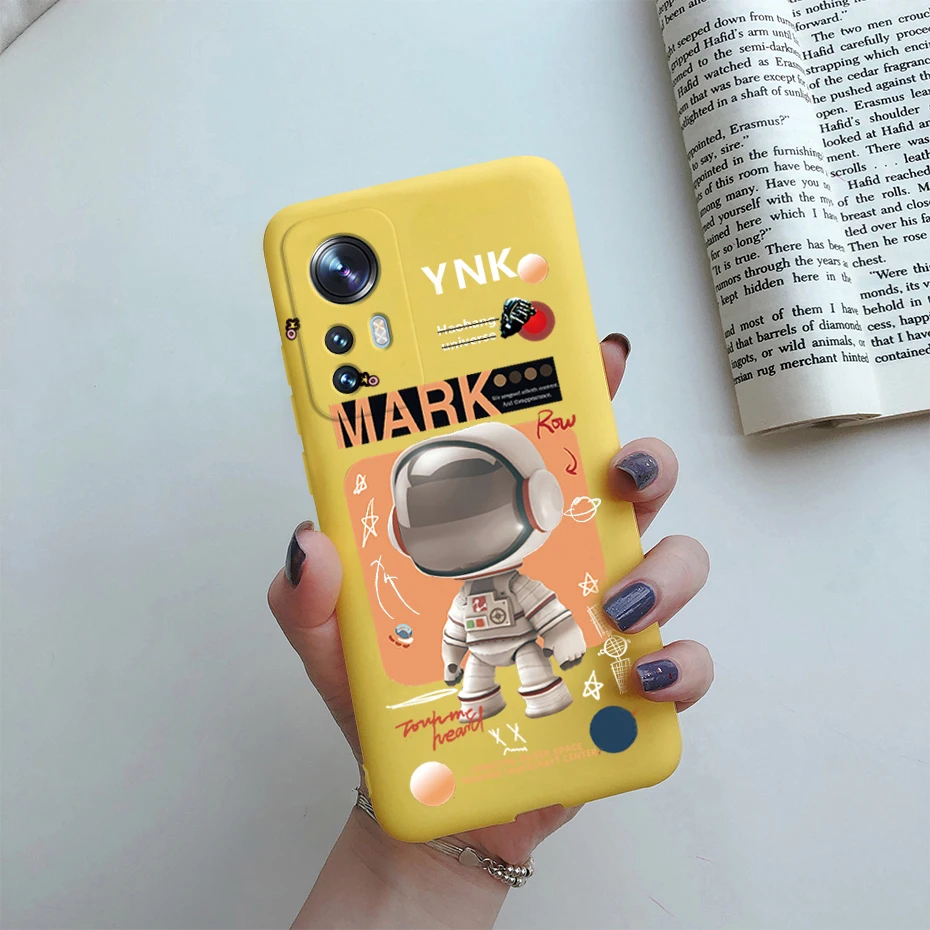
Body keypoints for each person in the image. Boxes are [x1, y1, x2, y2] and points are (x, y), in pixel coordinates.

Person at [267, 334, 714, 929]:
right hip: (480, 656)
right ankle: (481, 704)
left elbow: (547, 612)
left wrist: (570, 639)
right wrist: (453, 664)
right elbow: (456, 632)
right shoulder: (461, 599)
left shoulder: (521, 583)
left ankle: (545, 698)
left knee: (534, 670)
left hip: (524, 646)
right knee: (477, 681)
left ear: (539, 502)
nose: (458, 531)